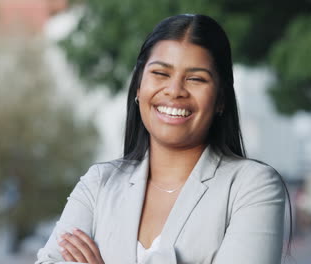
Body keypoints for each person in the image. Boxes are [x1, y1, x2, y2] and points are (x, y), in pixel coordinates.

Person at [35, 14, 291, 264]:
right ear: (138, 86)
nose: (174, 91)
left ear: (221, 99)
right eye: (160, 73)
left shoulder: (252, 187)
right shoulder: (99, 184)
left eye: (196, 79)